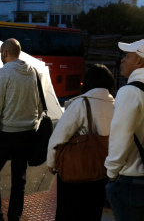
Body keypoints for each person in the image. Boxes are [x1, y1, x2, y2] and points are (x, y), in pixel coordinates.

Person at [0, 38, 42, 221]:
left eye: (1, 54)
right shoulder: (33, 72)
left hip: (7, 133)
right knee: (19, 179)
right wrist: (33, 124)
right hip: (28, 133)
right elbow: (38, 104)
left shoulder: (2, 73)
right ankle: (14, 217)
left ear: (5, 53)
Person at [46, 64, 115, 221]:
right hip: (102, 171)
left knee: (69, 212)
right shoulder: (115, 105)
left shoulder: (81, 104)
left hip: (77, 171)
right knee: (92, 212)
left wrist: (51, 162)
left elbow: (58, 137)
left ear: (89, 82)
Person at [105, 40, 144, 221]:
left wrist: (111, 173)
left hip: (133, 182)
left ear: (139, 62)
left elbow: (121, 135)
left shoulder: (130, 92)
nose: (122, 60)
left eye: (127, 56)